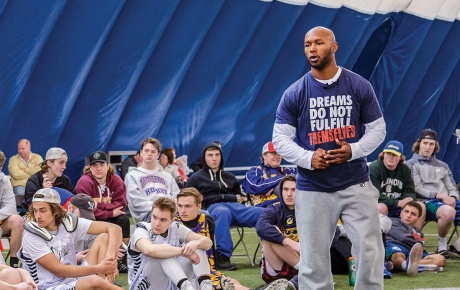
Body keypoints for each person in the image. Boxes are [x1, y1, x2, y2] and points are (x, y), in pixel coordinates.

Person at [272, 26, 386, 289]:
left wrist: (353, 150)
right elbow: (280, 139)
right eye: (307, 44)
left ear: (334, 47)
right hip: (313, 188)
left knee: (370, 251)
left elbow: (378, 129)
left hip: (355, 182)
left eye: (319, 43)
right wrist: (308, 158)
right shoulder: (295, 92)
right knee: (313, 260)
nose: (312, 49)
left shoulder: (358, 85)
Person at [18, 188, 123, 290]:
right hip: (49, 286)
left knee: (104, 237)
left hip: (72, 280)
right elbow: (59, 270)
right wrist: (101, 268)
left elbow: (114, 228)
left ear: (55, 210)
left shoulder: (67, 223)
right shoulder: (32, 235)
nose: (37, 216)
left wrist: (110, 260)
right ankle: (104, 282)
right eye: (35, 211)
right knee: (94, 281)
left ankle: (104, 282)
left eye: (42, 210)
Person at [256, 175, 349, 288]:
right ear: (280, 191)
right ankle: (309, 273)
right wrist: (291, 243)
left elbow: (334, 232)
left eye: (293, 190)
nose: (289, 194)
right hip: (279, 265)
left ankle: (305, 274)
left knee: (323, 230)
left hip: (305, 257)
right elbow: (261, 226)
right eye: (285, 189)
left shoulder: (310, 209)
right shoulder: (274, 209)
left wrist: (310, 247)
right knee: (270, 234)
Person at [186, 143, 264, 271]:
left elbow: (241, 197)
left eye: (217, 155)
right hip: (211, 209)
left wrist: (234, 199)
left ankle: (269, 254)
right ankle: (222, 257)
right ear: (204, 158)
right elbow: (189, 198)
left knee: (262, 212)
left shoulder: (230, 177)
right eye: (210, 155)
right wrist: (223, 198)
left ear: (221, 157)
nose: (214, 158)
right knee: (222, 212)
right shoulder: (196, 178)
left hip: (235, 208)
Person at [127, 197, 213, 290]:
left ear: (172, 220)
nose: (157, 223)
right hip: (144, 285)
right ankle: (186, 287)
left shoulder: (175, 227)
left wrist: (196, 244)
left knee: (196, 246)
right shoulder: (141, 229)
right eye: (154, 217)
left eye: (163, 220)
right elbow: (149, 250)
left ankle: (206, 287)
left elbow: (208, 243)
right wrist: (184, 251)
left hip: (171, 282)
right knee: (162, 251)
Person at [406, 129, 460, 258]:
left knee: (449, 208)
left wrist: (452, 198)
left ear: (435, 146)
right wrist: (441, 196)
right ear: (419, 144)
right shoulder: (410, 164)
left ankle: (456, 246)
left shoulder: (443, 165)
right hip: (426, 202)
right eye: (425, 143)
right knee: (448, 212)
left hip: (447, 201)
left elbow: (452, 187)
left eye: (431, 144)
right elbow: (418, 188)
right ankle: (442, 245)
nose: (428, 147)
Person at [74, 151, 130, 246]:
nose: (98, 168)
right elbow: (84, 209)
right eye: (94, 165)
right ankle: (90, 251)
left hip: (107, 216)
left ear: (108, 166)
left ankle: (122, 255)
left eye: (102, 164)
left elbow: (121, 204)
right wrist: (110, 213)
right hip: (92, 218)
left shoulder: (116, 180)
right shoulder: (84, 182)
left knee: (123, 220)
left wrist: (98, 205)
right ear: (90, 168)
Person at [369, 140, 426, 229]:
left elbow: (410, 190)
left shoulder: (405, 169)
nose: (391, 157)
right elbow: (375, 195)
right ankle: (382, 240)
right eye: (388, 154)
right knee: (381, 207)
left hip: (399, 205)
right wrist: (398, 202)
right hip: (380, 204)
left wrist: (408, 200)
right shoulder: (375, 168)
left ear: (400, 157)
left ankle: (413, 237)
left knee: (420, 206)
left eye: (394, 155)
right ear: (383, 154)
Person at [125, 137, 180, 222]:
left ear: (158, 155)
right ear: (141, 153)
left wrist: (172, 207)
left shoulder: (167, 176)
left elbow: (177, 197)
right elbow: (136, 203)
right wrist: (161, 207)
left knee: (200, 214)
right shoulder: (132, 176)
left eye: (153, 151)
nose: (149, 154)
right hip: (149, 215)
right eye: (146, 151)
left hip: (170, 212)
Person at [384, 201, 445, 276]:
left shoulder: (419, 233)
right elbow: (404, 238)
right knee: (398, 254)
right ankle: (405, 265)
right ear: (401, 213)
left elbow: (418, 246)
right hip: (396, 245)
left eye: (413, 214)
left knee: (440, 259)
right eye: (406, 212)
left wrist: (424, 252)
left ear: (417, 218)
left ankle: (406, 265)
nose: (408, 215)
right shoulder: (393, 222)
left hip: (413, 253)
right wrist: (420, 249)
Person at [242, 142, 296, 207]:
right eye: (273, 153)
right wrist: (282, 179)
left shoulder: (287, 171)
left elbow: (302, 178)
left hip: (284, 208)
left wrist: (276, 186)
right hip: (261, 209)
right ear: (264, 155)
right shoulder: (254, 171)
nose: (277, 156)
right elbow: (256, 186)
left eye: (279, 154)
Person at [24, 147, 74, 212]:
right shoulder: (34, 181)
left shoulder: (65, 180)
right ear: (49, 163)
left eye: (65, 163)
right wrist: (43, 192)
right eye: (61, 163)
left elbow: (72, 200)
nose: (64, 167)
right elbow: (30, 207)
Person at [0, 151, 24, 268]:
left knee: (17, 220)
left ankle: (14, 262)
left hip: (1, 221)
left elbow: (11, 207)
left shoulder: (4, 181)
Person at [7, 139, 43, 209]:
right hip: (20, 186)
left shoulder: (38, 158)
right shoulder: (13, 160)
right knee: (21, 195)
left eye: (23, 148)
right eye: (19, 149)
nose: (20, 151)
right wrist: (32, 172)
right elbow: (16, 174)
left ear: (29, 148)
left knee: (40, 195)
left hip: (35, 185)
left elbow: (40, 172)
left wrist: (26, 169)